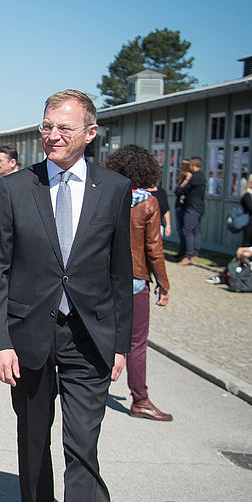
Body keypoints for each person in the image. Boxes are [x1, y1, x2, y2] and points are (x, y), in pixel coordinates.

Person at [0, 89, 132, 502]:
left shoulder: (114, 189)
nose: (53, 136)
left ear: (91, 133)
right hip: (28, 337)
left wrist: (121, 347)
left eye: (65, 128)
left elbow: (120, 273)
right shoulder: (14, 189)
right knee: (33, 438)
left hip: (89, 339)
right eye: (47, 126)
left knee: (82, 449)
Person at [103, 145, 171, 422]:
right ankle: (140, 398)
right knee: (136, 343)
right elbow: (153, 248)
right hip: (135, 278)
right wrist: (163, 284)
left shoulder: (107, 195)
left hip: (104, 277)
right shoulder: (147, 202)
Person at [178, 156, 205, 263]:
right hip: (198, 207)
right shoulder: (201, 176)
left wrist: (185, 182)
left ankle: (188, 255)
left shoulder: (195, 177)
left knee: (187, 229)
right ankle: (195, 253)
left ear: (193, 165)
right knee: (195, 230)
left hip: (192, 207)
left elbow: (183, 190)